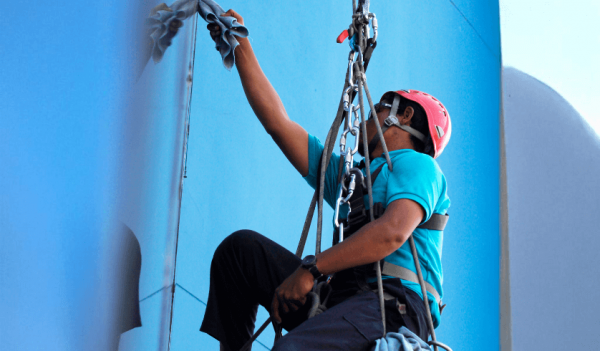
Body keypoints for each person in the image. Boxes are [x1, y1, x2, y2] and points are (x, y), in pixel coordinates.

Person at [200, 9, 451, 351]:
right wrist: (240, 44)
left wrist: (312, 271)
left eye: (378, 107)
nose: (367, 115)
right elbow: (279, 124)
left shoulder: (420, 167)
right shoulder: (354, 180)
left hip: (394, 307)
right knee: (241, 253)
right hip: (344, 299)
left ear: (403, 115)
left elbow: (392, 232)